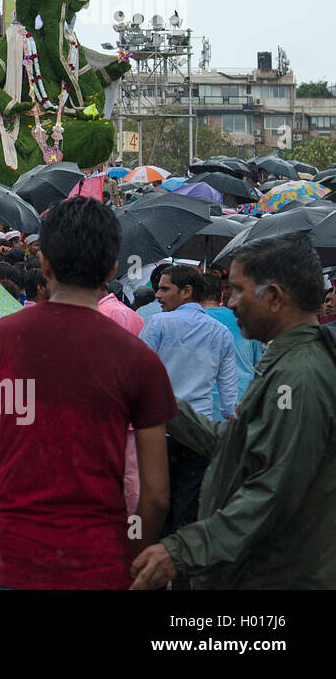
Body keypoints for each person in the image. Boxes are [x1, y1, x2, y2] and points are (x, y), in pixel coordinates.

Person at [0, 197, 176, 589]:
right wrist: (135, 561)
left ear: (44, 263)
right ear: (113, 268)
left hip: (14, 556)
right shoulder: (140, 358)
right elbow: (155, 495)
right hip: (101, 560)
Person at [132, 233, 336, 589]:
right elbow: (238, 441)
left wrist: (181, 551)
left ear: (273, 297)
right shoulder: (284, 361)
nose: (230, 301)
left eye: (240, 290)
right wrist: (159, 399)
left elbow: (273, 490)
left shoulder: (299, 377)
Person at [139, 263, 237, 571]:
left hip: (158, 435)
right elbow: (229, 397)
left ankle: (152, 575)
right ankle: (184, 578)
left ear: (186, 291)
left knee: (155, 512)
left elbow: (136, 378)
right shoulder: (220, 333)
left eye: (165, 288)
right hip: (200, 437)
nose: (158, 295)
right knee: (190, 515)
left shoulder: (157, 325)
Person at [201, 272, 264, 420]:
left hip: (199, 412)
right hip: (241, 406)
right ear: (221, 295)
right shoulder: (244, 321)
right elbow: (259, 366)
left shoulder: (186, 324)